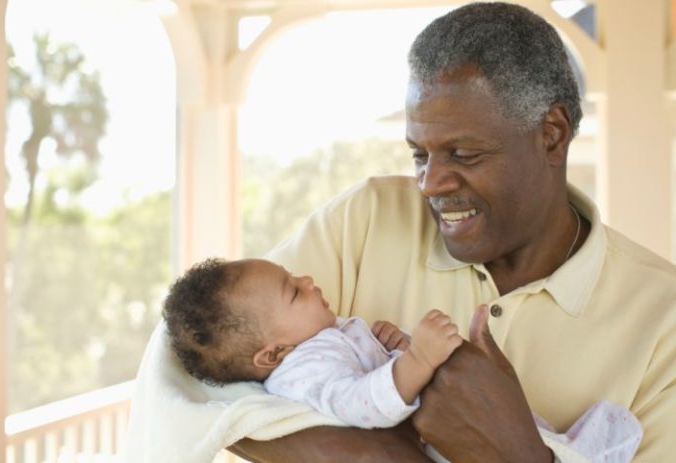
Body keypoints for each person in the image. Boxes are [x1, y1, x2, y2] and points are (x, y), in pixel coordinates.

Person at [227, 2, 676, 462]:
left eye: (463, 154)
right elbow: (189, 367)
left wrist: (517, 452)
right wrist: (364, 455)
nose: (430, 183)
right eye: (420, 154)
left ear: (553, 135)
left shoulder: (664, 320)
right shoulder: (365, 220)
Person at [163, 258, 642, 462]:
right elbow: (359, 404)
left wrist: (387, 347)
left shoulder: (313, 340)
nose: (308, 281)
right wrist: (416, 359)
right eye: (293, 290)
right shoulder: (300, 372)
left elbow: (363, 373)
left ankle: (567, 447)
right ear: (272, 353)